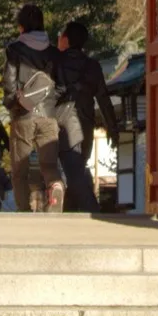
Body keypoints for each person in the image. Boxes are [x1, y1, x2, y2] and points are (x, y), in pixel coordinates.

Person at [2, 3, 64, 212]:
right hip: (48, 117)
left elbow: (9, 83)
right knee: (49, 166)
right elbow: (63, 86)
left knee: (20, 170)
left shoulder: (15, 49)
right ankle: (56, 188)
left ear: (21, 26)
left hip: (23, 116)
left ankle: (24, 211)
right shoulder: (55, 53)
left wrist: (13, 104)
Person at [53, 21, 119, 212]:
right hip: (86, 125)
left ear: (65, 40)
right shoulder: (93, 66)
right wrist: (112, 130)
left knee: (75, 175)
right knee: (77, 169)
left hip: (64, 124)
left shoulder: (56, 62)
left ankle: (94, 214)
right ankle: (72, 219)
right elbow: (104, 100)